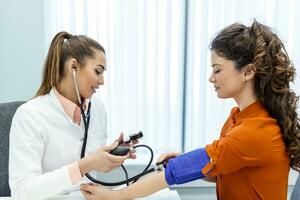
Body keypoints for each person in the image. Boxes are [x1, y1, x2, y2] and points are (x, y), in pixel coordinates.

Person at [80, 20, 300, 200]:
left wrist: (116, 197)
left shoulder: (257, 130)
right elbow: (223, 170)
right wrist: (184, 161)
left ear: (248, 72)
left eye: (218, 70)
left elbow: (177, 172)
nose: (211, 78)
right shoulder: (238, 118)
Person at [9, 31, 134, 200]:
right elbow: (23, 192)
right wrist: (84, 165)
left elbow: (91, 169)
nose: (102, 81)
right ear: (73, 66)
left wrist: (110, 155)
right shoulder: (30, 115)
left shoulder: (97, 109)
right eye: (98, 71)